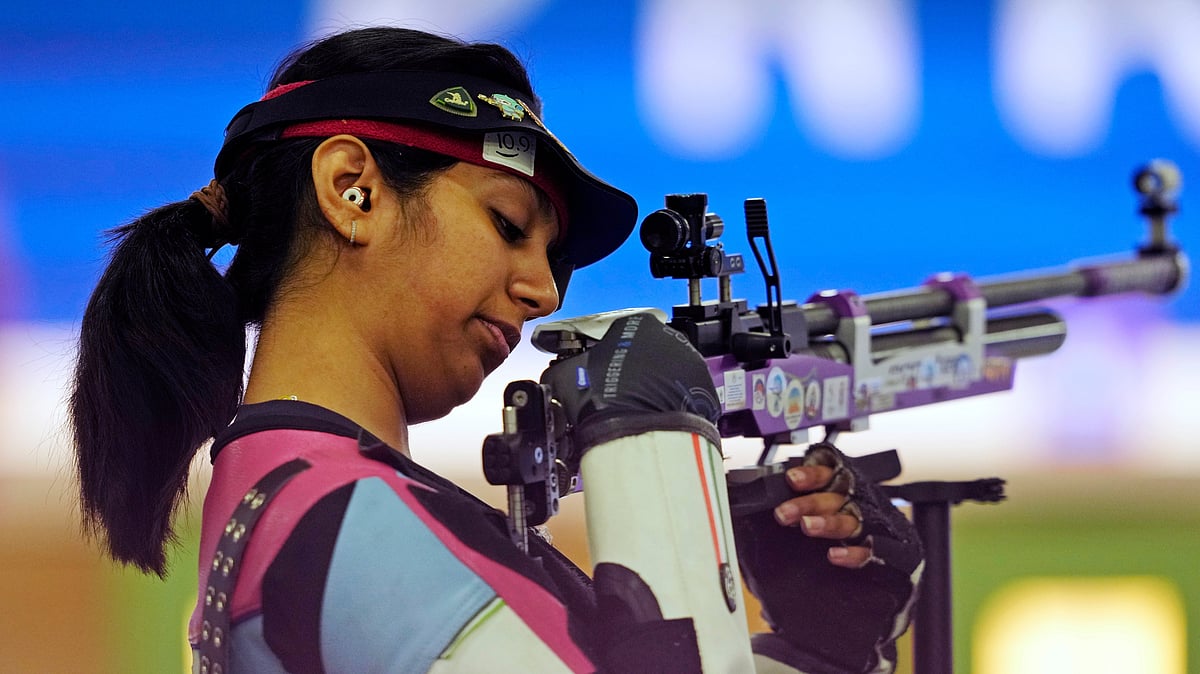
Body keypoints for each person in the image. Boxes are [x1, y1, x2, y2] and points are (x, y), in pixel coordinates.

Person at [70, 27, 921, 673]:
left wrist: (820, 647)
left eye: (551, 260)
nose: (545, 291)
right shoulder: (336, 521)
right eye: (508, 226)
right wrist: (655, 453)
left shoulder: (337, 507)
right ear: (351, 190)